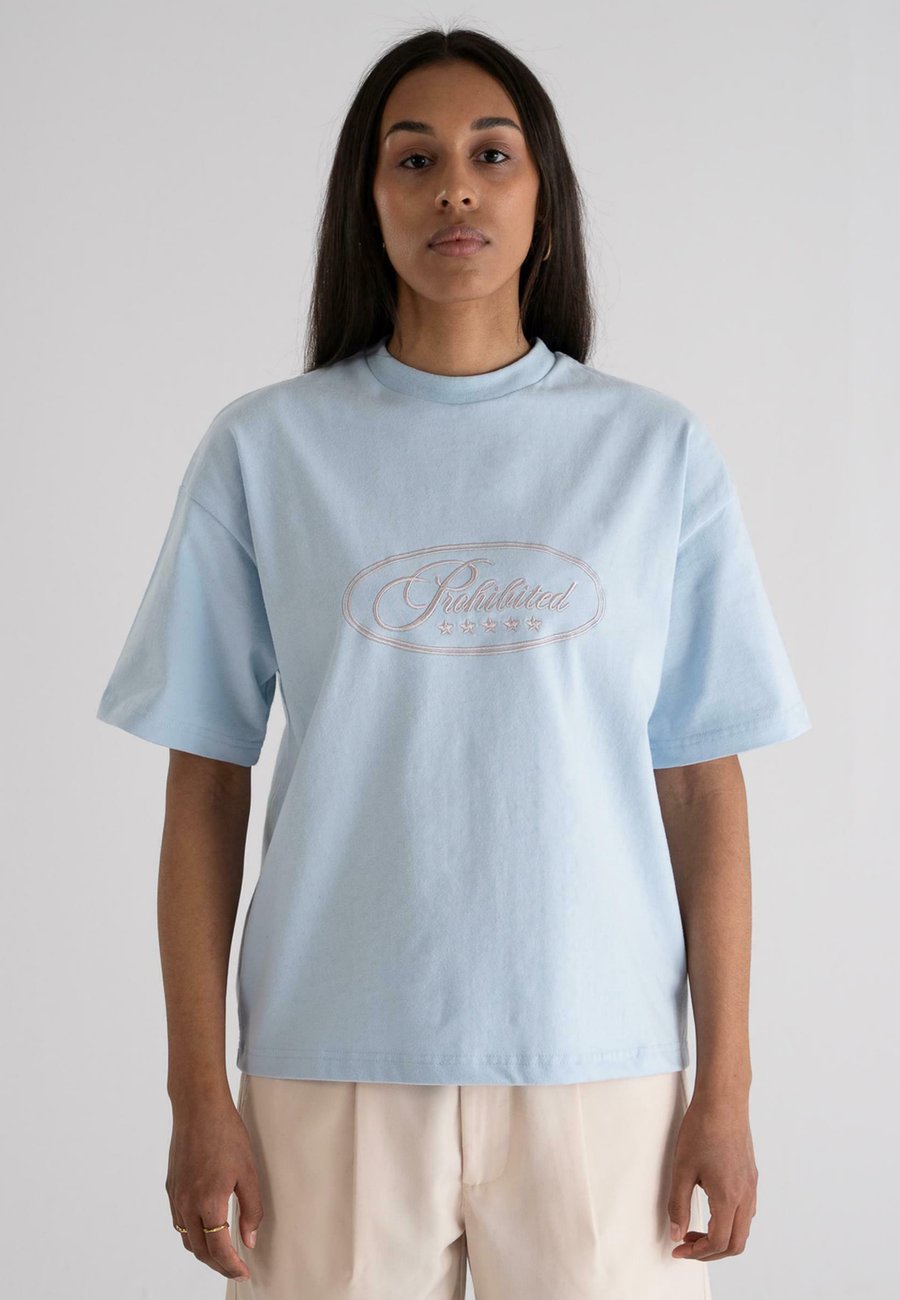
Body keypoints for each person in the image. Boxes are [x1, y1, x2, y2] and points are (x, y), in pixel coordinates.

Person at [96, 25, 811, 1300]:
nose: (455, 190)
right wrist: (198, 1094)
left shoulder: (655, 452)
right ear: (366, 201)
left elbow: (704, 785)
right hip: (330, 1064)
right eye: (414, 159)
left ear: (544, 199)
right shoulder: (268, 451)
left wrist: (728, 1089)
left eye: (492, 155)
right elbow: (204, 784)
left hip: (603, 1069)